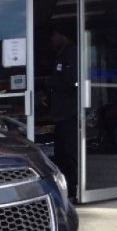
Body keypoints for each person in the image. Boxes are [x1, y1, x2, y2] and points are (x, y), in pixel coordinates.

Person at [46, 24, 79, 201]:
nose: (51, 40)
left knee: (68, 155)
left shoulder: (71, 54)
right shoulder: (61, 55)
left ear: (61, 35)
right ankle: (65, 191)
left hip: (69, 114)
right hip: (60, 115)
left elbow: (70, 81)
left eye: (53, 36)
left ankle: (72, 192)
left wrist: (48, 82)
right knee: (60, 155)